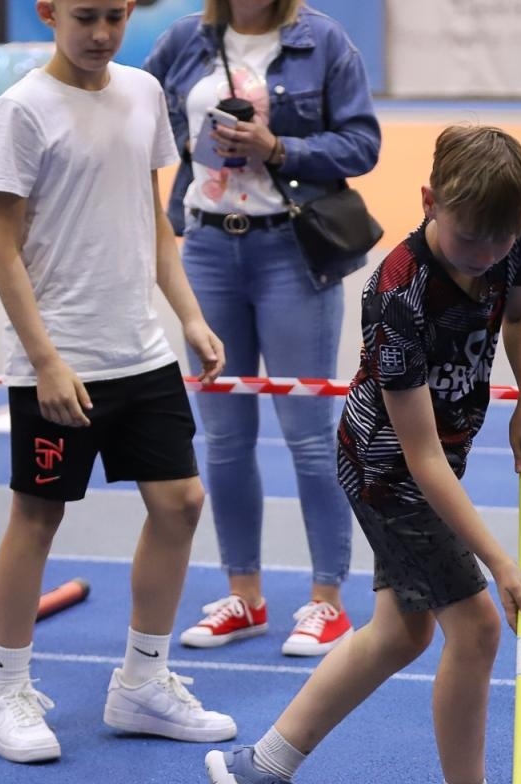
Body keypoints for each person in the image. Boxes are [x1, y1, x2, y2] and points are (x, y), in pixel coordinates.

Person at [204, 125, 521, 784]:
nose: (486, 256)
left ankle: (259, 770)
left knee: (399, 634)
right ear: (430, 202)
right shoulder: (397, 292)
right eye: (470, 240)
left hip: (439, 457)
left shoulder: (506, 231)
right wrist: (498, 560)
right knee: (479, 626)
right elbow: (420, 458)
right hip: (390, 468)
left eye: (500, 241)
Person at [0, 0, 237, 764]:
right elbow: (1, 248)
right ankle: (9, 691)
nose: (100, 34)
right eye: (85, 17)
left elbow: (153, 221)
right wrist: (47, 359)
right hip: (60, 359)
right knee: (37, 518)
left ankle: (142, 684)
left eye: (115, 18)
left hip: (140, 351)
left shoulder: (142, 93)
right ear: (48, 12)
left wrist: (188, 317)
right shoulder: (21, 109)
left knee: (182, 502)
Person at [144, 0, 380, 658]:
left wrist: (279, 147)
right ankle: (243, 596)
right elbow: (137, 117)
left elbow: (363, 144)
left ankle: (327, 601)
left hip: (291, 252)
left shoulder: (323, 41)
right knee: (222, 438)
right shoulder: (184, 41)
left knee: (308, 435)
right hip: (208, 250)